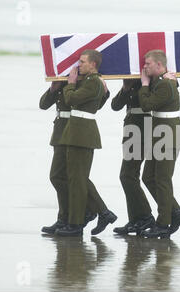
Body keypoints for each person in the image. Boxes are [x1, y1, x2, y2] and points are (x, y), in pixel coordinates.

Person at [54, 49, 117, 237]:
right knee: (76, 179)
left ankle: (79, 222)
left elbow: (71, 99)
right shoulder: (92, 82)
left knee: (78, 179)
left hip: (82, 134)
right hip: (76, 133)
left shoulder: (93, 82)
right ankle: (90, 216)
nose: (78, 65)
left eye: (82, 62)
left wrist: (70, 84)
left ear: (93, 64)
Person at [138, 50, 180, 238]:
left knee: (162, 180)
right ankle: (175, 212)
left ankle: (163, 223)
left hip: (167, 136)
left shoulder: (165, 85)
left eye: (148, 64)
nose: (145, 66)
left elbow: (146, 105)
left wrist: (144, 84)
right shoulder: (163, 82)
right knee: (148, 177)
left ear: (160, 65)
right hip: (159, 134)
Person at [39, 80, 99, 234]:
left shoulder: (82, 82)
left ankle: (83, 213)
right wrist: (53, 88)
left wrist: (72, 83)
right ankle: (65, 217)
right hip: (61, 131)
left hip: (74, 132)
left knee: (75, 177)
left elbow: (92, 103)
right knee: (58, 177)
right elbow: (43, 104)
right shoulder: (61, 81)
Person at [110, 79, 155, 235]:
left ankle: (144, 216)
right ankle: (136, 218)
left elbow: (147, 105)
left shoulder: (150, 82)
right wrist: (125, 87)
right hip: (131, 130)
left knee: (127, 175)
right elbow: (115, 106)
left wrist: (144, 84)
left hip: (141, 131)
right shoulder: (131, 84)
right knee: (130, 176)